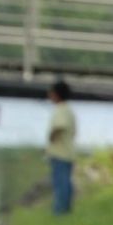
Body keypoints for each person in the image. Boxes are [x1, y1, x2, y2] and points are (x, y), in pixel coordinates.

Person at [45, 79, 76, 214]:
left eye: (51, 92)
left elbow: (59, 126)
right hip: (67, 152)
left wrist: (51, 137)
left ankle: (60, 211)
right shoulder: (68, 109)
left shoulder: (61, 109)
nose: (49, 95)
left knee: (61, 183)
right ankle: (65, 209)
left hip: (60, 153)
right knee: (65, 182)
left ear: (56, 94)